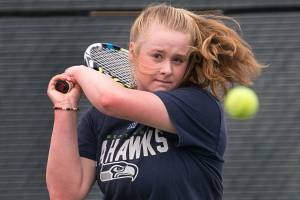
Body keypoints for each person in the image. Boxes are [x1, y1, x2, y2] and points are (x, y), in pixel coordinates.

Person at [46, 4, 262, 200]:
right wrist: (64, 107)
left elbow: (109, 98)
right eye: (157, 56)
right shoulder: (99, 119)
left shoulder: (197, 106)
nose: (167, 70)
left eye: (178, 60)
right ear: (133, 52)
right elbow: (65, 194)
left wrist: (78, 71)